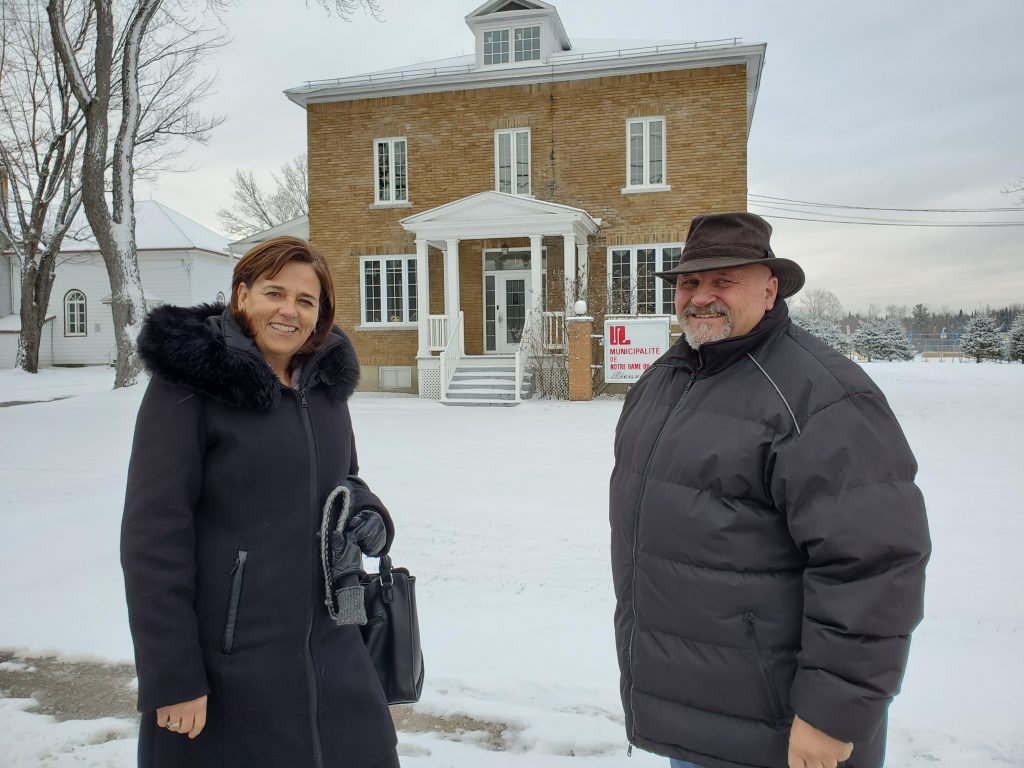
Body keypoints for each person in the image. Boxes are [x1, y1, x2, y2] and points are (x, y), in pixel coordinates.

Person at [609, 212, 930, 768]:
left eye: (723, 280)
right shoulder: (668, 378)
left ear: (769, 287)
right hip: (697, 712)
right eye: (689, 282)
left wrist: (831, 716)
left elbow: (873, 568)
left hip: (782, 728)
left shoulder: (820, 396)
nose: (701, 296)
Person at [121, 236, 401, 768]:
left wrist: (369, 514)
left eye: (305, 301)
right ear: (242, 295)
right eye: (275, 293)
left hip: (333, 649)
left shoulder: (323, 387)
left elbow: (346, 480)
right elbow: (153, 533)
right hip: (230, 665)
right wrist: (173, 676)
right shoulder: (189, 387)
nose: (289, 311)